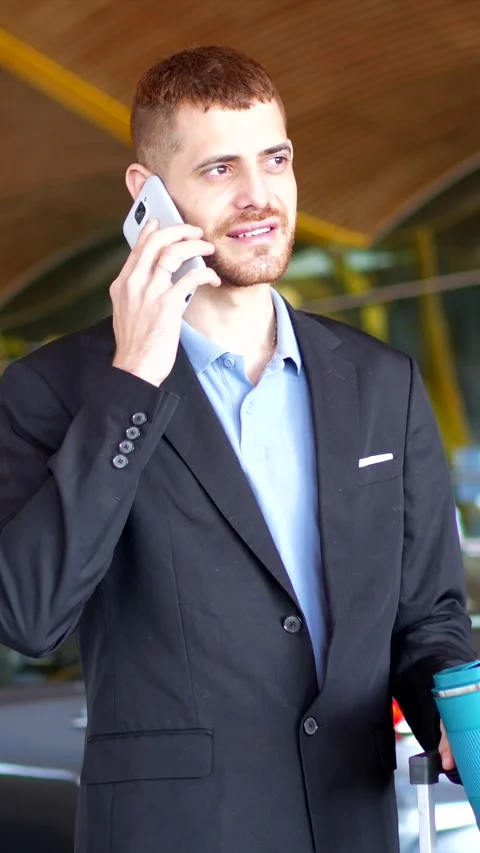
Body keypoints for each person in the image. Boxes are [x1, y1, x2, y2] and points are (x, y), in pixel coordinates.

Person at [0, 45, 475, 853]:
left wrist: (451, 721)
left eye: (275, 159)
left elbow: (428, 616)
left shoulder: (379, 382)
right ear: (145, 193)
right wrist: (134, 384)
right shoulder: (54, 389)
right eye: (220, 168)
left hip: (352, 827)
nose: (259, 197)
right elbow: (28, 614)